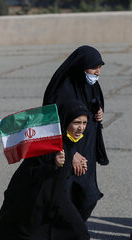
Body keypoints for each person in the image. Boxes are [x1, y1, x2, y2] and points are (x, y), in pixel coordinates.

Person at [0, 100, 91, 240]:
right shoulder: (48, 143)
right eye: (76, 123)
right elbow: (31, 172)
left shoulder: (69, 144)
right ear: (65, 122)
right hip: (34, 202)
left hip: (57, 199)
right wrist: (53, 164)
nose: (81, 128)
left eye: (84, 123)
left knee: (79, 232)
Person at [43, 45, 108, 221]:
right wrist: (70, 154)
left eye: (100, 68)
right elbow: (52, 124)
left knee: (88, 196)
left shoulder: (90, 85)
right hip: (67, 152)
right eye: (94, 67)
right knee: (64, 197)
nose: (97, 72)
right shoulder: (61, 90)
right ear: (81, 66)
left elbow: (93, 103)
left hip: (87, 150)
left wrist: (99, 111)